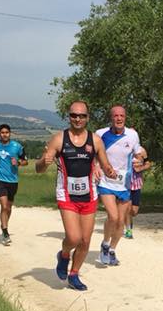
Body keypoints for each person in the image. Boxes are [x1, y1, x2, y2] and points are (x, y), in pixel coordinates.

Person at [35, 101, 116, 291]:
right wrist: (44, 161)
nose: (78, 119)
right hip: (67, 195)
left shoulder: (95, 140)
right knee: (73, 237)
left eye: (82, 116)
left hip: (89, 195)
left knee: (85, 241)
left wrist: (109, 171)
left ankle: (74, 274)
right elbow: (39, 169)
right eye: (74, 115)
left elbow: (105, 164)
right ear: (69, 116)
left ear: (87, 117)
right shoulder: (58, 139)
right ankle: (64, 254)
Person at [95, 105, 144, 265]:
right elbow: (93, 154)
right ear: (111, 118)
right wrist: (95, 166)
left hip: (124, 183)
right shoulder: (100, 134)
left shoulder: (132, 135)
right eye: (116, 115)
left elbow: (138, 153)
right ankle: (105, 244)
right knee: (113, 216)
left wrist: (140, 161)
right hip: (106, 181)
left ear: (125, 117)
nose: (119, 118)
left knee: (121, 221)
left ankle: (112, 250)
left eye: (122, 115)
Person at [0, 124, 28, 246]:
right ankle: (5, 233)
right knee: (4, 206)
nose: (5, 134)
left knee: (8, 207)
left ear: (10, 133)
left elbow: (26, 161)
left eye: (7, 132)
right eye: (2, 132)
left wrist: (18, 162)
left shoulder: (17, 146)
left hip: (13, 180)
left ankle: (4, 225)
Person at [124, 151, 151, 239]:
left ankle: (126, 219)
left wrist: (141, 168)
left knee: (134, 211)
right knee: (127, 208)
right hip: (125, 185)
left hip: (136, 185)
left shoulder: (141, 150)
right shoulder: (124, 149)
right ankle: (128, 230)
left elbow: (148, 164)